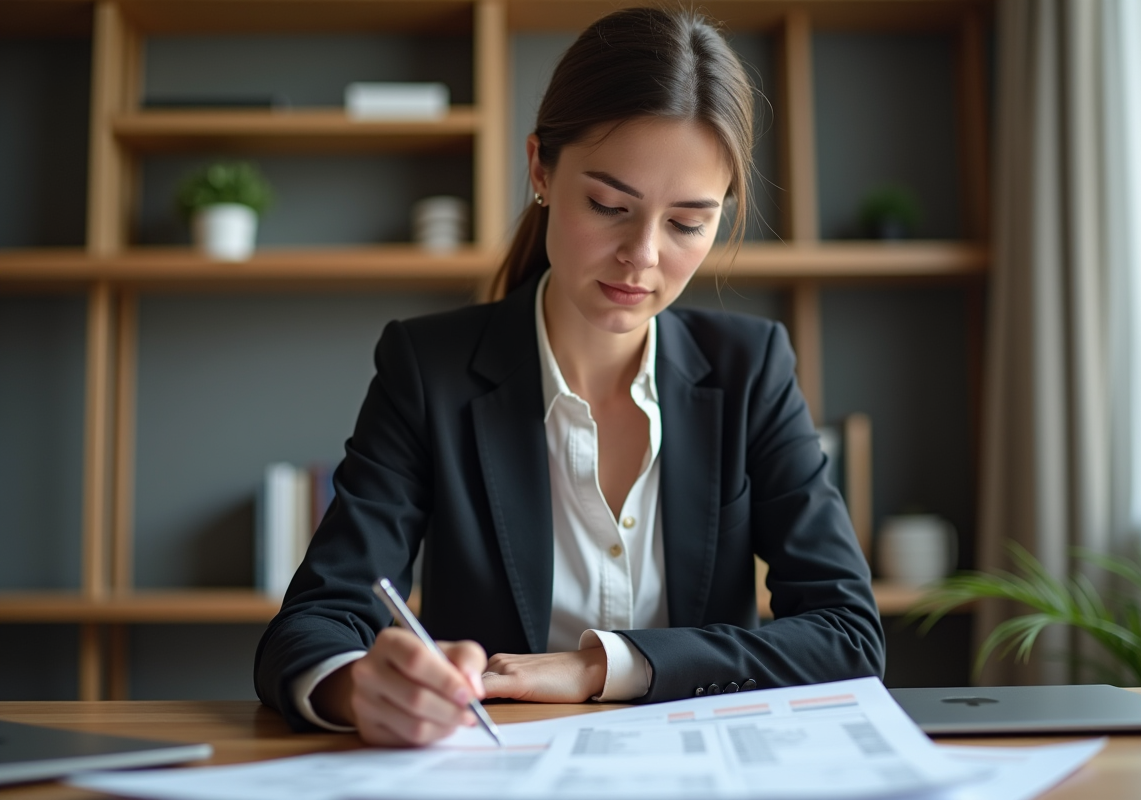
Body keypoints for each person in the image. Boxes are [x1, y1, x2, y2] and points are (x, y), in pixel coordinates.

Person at [254, 6, 883, 747]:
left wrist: (601, 669)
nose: (643, 255)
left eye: (687, 223)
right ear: (541, 170)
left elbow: (847, 637)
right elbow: (313, 623)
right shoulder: (430, 369)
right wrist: (358, 687)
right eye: (608, 206)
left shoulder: (753, 369)